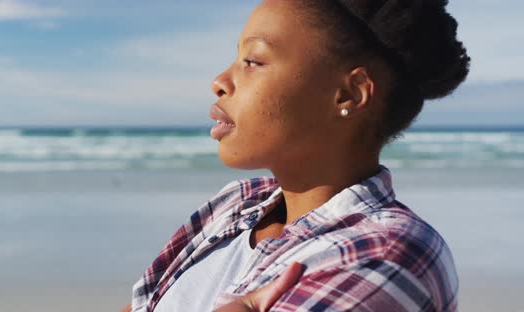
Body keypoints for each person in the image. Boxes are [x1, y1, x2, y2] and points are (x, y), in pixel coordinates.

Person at [124, 0, 470, 311]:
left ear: (347, 95)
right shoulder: (237, 206)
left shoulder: (385, 254)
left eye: (253, 61)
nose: (219, 81)